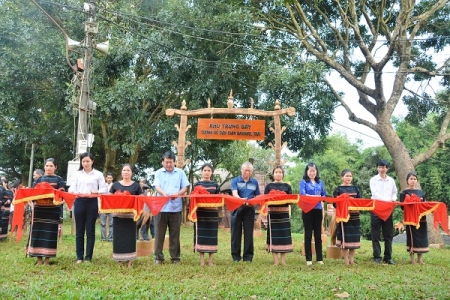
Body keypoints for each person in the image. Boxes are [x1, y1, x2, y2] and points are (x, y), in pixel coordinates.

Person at [68, 152, 107, 264]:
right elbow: (71, 188)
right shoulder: (77, 174)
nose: (85, 163)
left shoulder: (98, 174)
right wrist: (74, 191)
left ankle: (88, 257)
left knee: (90, 230)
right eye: (83, 161)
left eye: (87, 161)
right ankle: (79, 257)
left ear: (92, 161)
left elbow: (104, 189)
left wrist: (94, 192)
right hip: (79, 201)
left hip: (92, 202)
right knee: (79, 230)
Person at [153, 151, 190, 264]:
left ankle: (175, 257)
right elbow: (156, 186)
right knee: (159, 234)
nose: (169, 164)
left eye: (171, 162)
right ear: (162, 162)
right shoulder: (158, 173)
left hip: (175, 208)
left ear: (174, 162)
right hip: (161, 208)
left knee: (175, 234)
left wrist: (178, 194)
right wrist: (164, 193)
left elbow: (185, 187)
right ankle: (158, 257)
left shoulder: (180, 173)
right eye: (166, 162)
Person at [29, 158, 66, 265]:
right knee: (38, 233)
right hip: (39, 210)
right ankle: (39, 259)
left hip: (52, 211)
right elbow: (32, 193)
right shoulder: (38, 180)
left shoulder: (59, 180)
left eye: (51, 166)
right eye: (47, 166)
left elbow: (62, 194)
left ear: (55, 167)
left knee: (50, 234)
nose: (48, 168)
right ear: (44, 167)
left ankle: (47, 260)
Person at [109, 164, 143, 268]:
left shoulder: (136, 186)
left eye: (128, 170)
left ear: (131, 172)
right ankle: (119, 260)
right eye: (124, 170)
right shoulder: (115, 185)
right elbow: (109, 198)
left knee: (130, 238)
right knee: (118, 238)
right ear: (121, 172)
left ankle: (129, 261)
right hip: (117, 216)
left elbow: (141, 199)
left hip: (130, 217)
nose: (126, 172)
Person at [230, 162, 260, 263]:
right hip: (237, 208)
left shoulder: (254, 182)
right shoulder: (235, 181)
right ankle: (236, 257)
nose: (247, 172)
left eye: (249, 170)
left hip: (250, 210)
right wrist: (242, 200)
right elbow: (234, 194)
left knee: (248, 233)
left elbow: (257, 196)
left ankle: (248, 257)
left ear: (251, 171)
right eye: (245, 170)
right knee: (235, 233)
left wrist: (252, 202)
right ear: (241, 170)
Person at [369, 159, 398, 265]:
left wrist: (393, 199)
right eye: (380, 167)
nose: (381, 169)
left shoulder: (391, 180)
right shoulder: (373, 180)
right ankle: (377, 256)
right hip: (376, 208)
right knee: (375, 234)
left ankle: (388, 257)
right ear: (377, 168)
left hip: (388, 210)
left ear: (387, 168)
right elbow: (375, 194)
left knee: (388, 234)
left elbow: (394, 192)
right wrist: (387, 201)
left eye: (383, 167)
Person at [192, 163, 220, 266]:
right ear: (201, 172)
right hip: (201, 213)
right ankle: (202, 261)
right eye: (205, 170)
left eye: (209, 170)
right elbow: (193, 198)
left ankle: (211, 261)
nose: (207, 172)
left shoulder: (216, 185)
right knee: (201, 235)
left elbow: (219, 198)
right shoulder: (196, 185)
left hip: (212, 213)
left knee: (212, 235)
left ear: (212, 172)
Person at [264, 166, 293, 266]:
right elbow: (265, 199)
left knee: (284, 236)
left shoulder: (287, 186)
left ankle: (283, 260)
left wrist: (282, 197)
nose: (278, 174)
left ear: (283, 174)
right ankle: (275, 261)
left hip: (284, 213)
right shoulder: (269, 186)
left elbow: (291, 200)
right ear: (273, 174)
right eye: (276, 172)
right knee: (274, 236)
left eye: (280, 172)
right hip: (272, 214)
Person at [333, 169, 362, 265]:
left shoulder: (356, 189)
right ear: (342, 177)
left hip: (355, 216)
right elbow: (334, 203)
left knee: (353, 238)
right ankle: (346, 260)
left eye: (350, 176)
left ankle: (352, 260)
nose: (348, 178)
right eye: (346, 176)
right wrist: (343, 200)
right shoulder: (338, 189)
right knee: (344, 238)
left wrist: (352, 200)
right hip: (343, 217)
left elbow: (360, 201)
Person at [299, 162, 327, 266]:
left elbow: (324, 195)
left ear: (316, 172)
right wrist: (316, 197)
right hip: (307, 210)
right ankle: (308, 259)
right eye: (310, 170)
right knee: (308, 234)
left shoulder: (320, 182)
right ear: (307, 172)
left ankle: (319, 258)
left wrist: (321, 197)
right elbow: (302, 194)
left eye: (314, 171)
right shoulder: (303, 182)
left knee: (318, 234)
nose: (312, 173)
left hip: (318, 209)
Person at [399, 172, 427, 264]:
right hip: (411, 219)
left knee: (421, 237)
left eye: (415, 179)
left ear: (417, 180)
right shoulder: (404, 192)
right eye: (411, 179)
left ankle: (420, 258)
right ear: (407, 180)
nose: (413, 181)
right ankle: (412, 258)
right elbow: (402, 206)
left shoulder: (421, 192)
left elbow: (424, 204)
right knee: (412, 237)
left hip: (421, 218)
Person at [100, 172, 114, 241]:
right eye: (108, 178)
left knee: (112, 224)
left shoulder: (114, 186)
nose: (109, 179)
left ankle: (110, 238)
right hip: (103, 206)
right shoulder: (102, 186)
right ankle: (103, 238)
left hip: (112, 207)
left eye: (110, 178)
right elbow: (99, 197)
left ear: (112, 179)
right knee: (103, 223)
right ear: (106, 178)